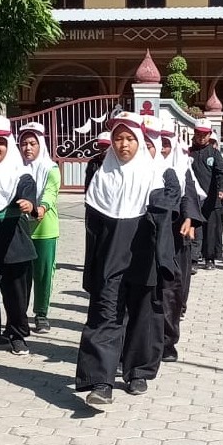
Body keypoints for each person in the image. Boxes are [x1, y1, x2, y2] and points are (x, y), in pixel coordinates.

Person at [77, 112, 180, 406]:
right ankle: (101, 382)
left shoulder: (155, 176)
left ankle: (138, 372)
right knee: (105, 314)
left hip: (144, 259)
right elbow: (92, 231)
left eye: (129, 139)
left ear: (140, 141)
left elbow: (167, 217)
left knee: (143, 316)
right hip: (110, 260)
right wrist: (91, 269)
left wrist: (164, 263)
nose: (123, 145)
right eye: (118, 139)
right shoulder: (102, 178)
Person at [0, 115, 37, 356]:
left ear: (8, 145)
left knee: (16, 293)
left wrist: (28, 203)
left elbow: (27, 190)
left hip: (14, 236)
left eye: (0, 143)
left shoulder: (20, 173)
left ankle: (17, 334)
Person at [157, 118, 203, 363]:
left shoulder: (182, 167)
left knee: (172, 292)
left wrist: (189, 218)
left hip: (176, 237)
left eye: (166, 143)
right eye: (158, 143)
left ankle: (168, 343)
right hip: (149, 237)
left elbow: (189, 195)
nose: (162, 148)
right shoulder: (144, 166)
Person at [19, 122, 60, 334]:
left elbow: (50, 192)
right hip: (20, 228)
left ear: (40, 145)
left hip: (45, 229)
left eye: (32, 143)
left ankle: (41, 314)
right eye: (24, 143)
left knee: (43, 274)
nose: (27, 148)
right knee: (21, 275)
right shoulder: (16, 168)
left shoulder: (51, 168)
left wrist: (41, 208)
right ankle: (19, 314)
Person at [189, 119, 223, 270]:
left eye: (205, 134)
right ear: (194, 133)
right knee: (194, 228)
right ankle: (193, 259)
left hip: (211, 198)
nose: (201, 137)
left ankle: (210, 258)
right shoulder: (188, 152)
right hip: (193, 198)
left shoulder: (214, 154)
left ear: (209, 135)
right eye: (199, 133)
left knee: (211, 230)